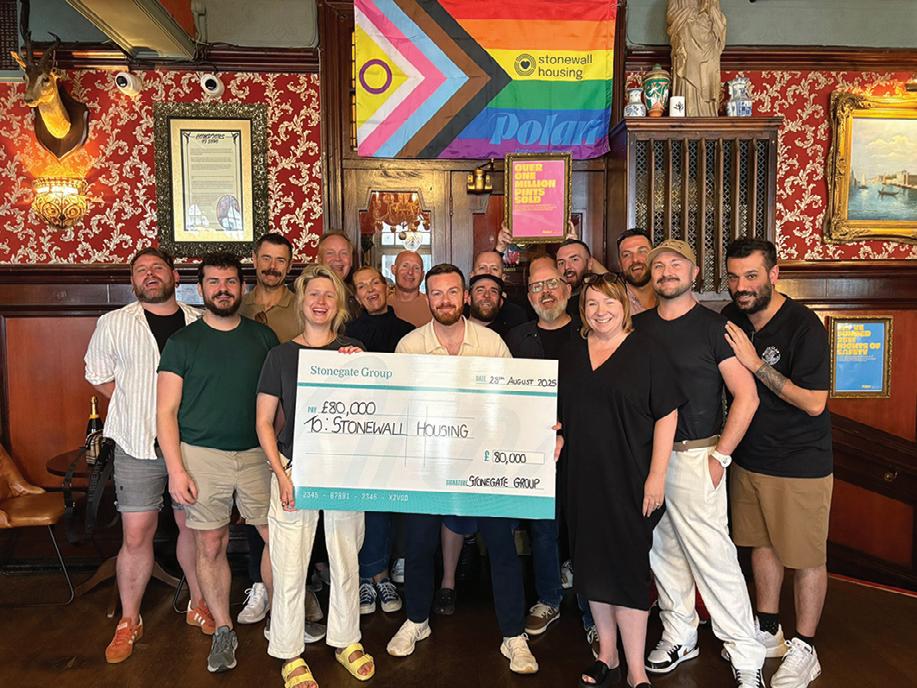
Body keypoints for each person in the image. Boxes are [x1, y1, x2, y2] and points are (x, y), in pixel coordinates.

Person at [386, 264, 538, 675]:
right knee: (419, 546)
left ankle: (513, 635)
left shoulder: (491, 343)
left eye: (453, 292)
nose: (445, 300)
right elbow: (397, 406)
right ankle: (416, 621)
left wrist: (543, 427)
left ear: (465, 296)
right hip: (427, 465)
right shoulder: (410, 346)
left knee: (502, 549)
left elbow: (517, 401)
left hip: (485, 465)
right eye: (436, 293)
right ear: (428, 298)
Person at [634, 240, 766, 688]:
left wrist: (720, 457)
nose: (666, 271)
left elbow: (747, 396)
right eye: (658, 265)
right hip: (648, 460)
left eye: (676, 264)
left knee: (714, 559)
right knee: (664, 553)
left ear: (694, 274)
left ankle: (745, 651)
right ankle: (680, 634)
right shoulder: (637, 327)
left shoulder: (715, 328)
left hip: (697, 457)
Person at [84, 247, 210, 664]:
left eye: (157, 268)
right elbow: (97, 374)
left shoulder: (199, 322)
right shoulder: (113, 323)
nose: (150, 275)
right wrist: (134, 405)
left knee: (194, 527)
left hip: (191, 444)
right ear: (133, 280)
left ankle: (199, 603)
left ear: (175, 276)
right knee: (136, 534)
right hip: (136, 443)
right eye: (141, 270)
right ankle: (129, 620)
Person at [156, 252, 279, 673]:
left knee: (276, 537)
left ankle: (281, 616)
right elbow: (165, 412)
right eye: (214, 282)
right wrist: (176, 469)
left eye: (230, 281)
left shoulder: (263, 339)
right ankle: (223, 628)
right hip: (201, 455)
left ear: (242, 287)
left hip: (257, 454)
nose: (222, 289)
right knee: (210, 543)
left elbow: (279, 401)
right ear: (200, 288)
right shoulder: (182, 343)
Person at [560, 271, 682, 688]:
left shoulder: (647, 351)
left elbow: (667, 414)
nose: (601, 311)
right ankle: (607, 655)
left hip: (631, 479)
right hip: (581, 479)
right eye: (592, 303)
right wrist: (556, 436)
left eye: (609, 302)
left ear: (626, 306)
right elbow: (561, 412)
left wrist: (657, 475)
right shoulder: (572, 352)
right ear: (582, 309)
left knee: (628, 573)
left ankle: (636, 669)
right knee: (591, 569)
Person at [256, 263, 375, 688]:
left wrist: (364, 371)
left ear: (338, 304)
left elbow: (374, 413)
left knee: (346, 557)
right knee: (290, 562)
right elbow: (264, 422)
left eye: (329, 295)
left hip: (344, 469)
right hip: (295, 466)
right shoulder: (281, 355)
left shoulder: (355, 351)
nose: (320, 302)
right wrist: (281, 474)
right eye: (313, 294)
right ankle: (289, 651)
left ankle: (346, 639)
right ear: (302, 303)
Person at [723, 239, 832, 688]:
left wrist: (754, 364)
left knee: (806, 556)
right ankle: (769, 630)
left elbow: (814, 402)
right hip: (749, 457)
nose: (741, 286)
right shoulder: (731, 319)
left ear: (773, 274)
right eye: (734, 277)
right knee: (761, 544)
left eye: (751, 276)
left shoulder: (804, 326)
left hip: (799, 461)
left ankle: (806, 647)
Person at [237, 233, 312, 629]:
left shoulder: (300, 308)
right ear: (255, 260)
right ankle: (259, 584)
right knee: (256, 512)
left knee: (285, 513)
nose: (272, 267)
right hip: (242, 422)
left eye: (280, 260)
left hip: (288, 430)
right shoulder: (237, 303)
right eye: (266, 259)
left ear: (289, 264)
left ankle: (298, 590)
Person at [505, 257, 578, 640]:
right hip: (536, 450)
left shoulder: (588, 331)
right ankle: (549, 599)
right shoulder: (517, 338)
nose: (546, 292)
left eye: (552, 284)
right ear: (529, 295)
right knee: (543, 530)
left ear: (568, 288)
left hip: (586, 446)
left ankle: (593, 610)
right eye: (536, 286)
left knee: (587, 528)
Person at [346, 265, 412, 616]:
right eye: (362, 286)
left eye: (375, 283)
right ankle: (366, 575)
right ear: (355, 296)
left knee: (389, 504)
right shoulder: (345, 335)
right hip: (356, 430)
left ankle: (381, 574)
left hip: (399, 429)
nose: (370, 290)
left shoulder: (408, 333)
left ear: (387, 287)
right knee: (363, 504)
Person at [556, 239, 608, 326]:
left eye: (574, 259)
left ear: (590, 263)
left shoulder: (600, 295)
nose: (567, 267)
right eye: (561, 263)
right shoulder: (554, 301)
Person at [317, 231, 362, 319]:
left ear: (351, 260)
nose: (338, 258)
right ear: (319, 259)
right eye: (330, 253)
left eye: (344, 253)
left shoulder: (359, 296)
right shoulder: (301, 294)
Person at [616, 228, 657, 315]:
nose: (635, 259)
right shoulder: (614, 303)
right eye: (627, 255)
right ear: (619, 263)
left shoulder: (670, 293)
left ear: (654, 257)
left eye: (642, 251)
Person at [389, 250, 432, 327]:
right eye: (405, 266)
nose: (410, 272)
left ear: (422, 275)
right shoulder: (381, 305)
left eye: (416, 268)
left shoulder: (432, 305)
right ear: (393, 269)